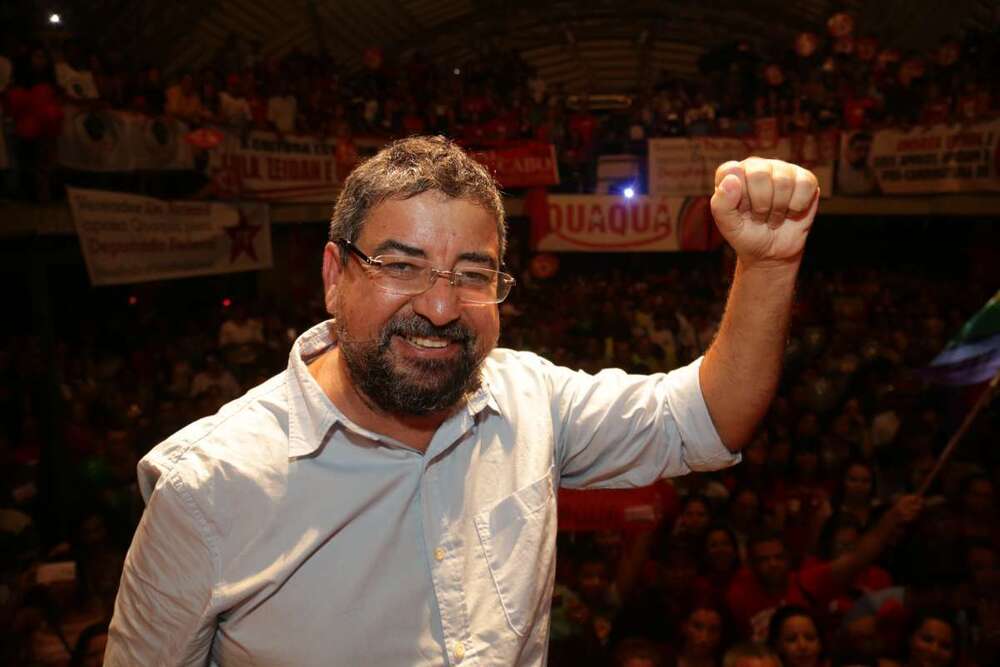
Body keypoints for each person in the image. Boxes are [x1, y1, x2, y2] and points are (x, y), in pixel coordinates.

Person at [105, 135, 820, 665]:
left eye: (472, 273)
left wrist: (768, 262)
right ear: (334, 275)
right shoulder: (208, 490)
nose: (442, 306)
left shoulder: (530, 399)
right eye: (401, 265)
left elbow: (709, 416)